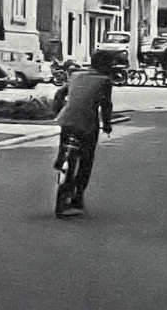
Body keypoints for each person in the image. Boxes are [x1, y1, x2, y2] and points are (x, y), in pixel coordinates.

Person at [52, 49, 114, 217]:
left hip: (67, 119)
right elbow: (106, 105)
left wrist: (58, 110)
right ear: (105, 65)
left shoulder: (75, 75)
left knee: (66, 140)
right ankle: (78, 196)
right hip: (87, 123)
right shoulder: (105, 81)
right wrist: (107, 125)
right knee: (86, 159)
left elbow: (59, 94)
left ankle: (60, 158)